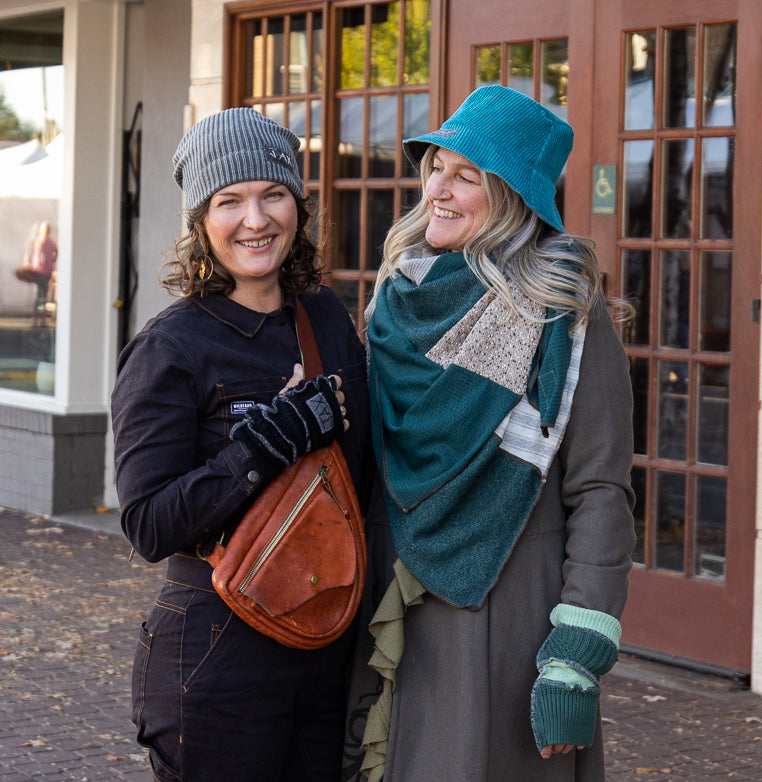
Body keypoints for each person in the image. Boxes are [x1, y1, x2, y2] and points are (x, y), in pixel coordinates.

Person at [352, 85, 635, 781]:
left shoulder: (563, 310)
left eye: (466, 175)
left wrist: (574, 656)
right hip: (393, 592)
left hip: (507, 615)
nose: (438, 190)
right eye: (435, 166)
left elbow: (601, 490)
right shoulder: (396, 296)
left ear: (510, 197)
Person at [110, 108, 372, 782]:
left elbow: (363, 484)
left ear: (298, 205)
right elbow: (147, 525)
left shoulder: (327, 325)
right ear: (201, 221)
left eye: (273, 194)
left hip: (325, 643)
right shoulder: (171, 348)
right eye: (230, 201)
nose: (256, 219)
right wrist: (267, 444)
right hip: (217, 654)